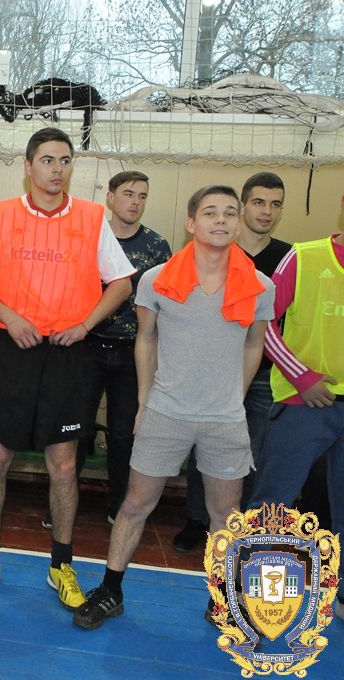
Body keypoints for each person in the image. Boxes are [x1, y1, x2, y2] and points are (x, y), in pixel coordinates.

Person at [74, 185, 274, 630]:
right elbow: (145, 339)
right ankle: (110, 590)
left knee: (226, 515)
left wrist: (235, 398)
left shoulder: (261, 285)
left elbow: (254, 344)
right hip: (166, 412)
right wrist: (145, 400)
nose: (220, 220)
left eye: (229, 213)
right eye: (210, 212)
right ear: (191, 223)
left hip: (225, 419)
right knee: (135, 504)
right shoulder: (156, 279)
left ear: (238, 223)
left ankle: (224, 600)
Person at [0, 128, 135, 609]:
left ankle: (61, 565)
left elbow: (121, 283)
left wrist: (85, 324)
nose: (57, 169)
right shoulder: (1, 215)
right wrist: (11, 317)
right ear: (28, 166)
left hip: (67, 353)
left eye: (65, 160)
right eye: (47, 160)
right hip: (13, 349)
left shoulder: (92, 218)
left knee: (63, 465)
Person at [172, 172, 292, 552]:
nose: (267, 211)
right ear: (242, 208)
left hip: (263, 374)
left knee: (248, 454)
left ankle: (239, 527)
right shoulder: (215, 248)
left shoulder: (288, 257)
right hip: (211, 373)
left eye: (275, 204)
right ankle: (196, 520)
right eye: (258, 202)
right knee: (203, 448)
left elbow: (282, 320)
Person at [247, 207, 344, 622]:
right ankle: (252, 602)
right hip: (304, 402)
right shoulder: (304, 256)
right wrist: (301, 377)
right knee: (273, 504)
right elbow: (264, 322)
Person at [67, 171, 171, 525]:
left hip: (133, 352)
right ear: (110, 198)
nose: (135, 202)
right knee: (76, 429)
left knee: (125, 434)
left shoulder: (156, 246)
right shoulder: (88, 238)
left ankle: (118, 509)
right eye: (128, 194)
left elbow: (165, 302)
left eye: (142, 195)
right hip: (86, 347)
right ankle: (63, 504)